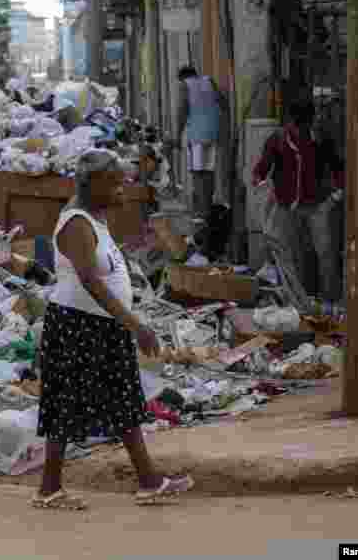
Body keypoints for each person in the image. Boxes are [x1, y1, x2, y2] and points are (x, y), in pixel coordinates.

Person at [33, 150, 194, 510]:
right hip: (77, 326)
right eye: (117, 183)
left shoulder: (96, 219)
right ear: (96, 184)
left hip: (101, 326)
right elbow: (91, 282)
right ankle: (49, 489)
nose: (123, 190)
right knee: (64, 405)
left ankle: (149, 481)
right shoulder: (77, 223)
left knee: (123, 402)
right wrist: (136, 325)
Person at [252, 101, 344, 301]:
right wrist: (260, 183)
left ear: (310, 123)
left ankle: (330, 300)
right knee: (292, 254)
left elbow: (337, 166)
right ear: (290, 123)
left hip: (317, 205)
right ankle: (299, 301)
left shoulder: (320, 140)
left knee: (325, 252)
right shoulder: (277, 140)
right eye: (296, 126)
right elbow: (262, 167)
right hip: (286, 205)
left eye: (304, 126)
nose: (299, 131)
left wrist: (337, 194)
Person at [176, 66, 229, 219]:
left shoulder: (185, 85)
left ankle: (202, 211)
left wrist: (178, 135)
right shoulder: (209, 81)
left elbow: (182, 111)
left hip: (197, 136)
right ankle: (208, 207)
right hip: (213, 133)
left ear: (183, 77)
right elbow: (223, 103)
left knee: (198, 174)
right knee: (208, 172)